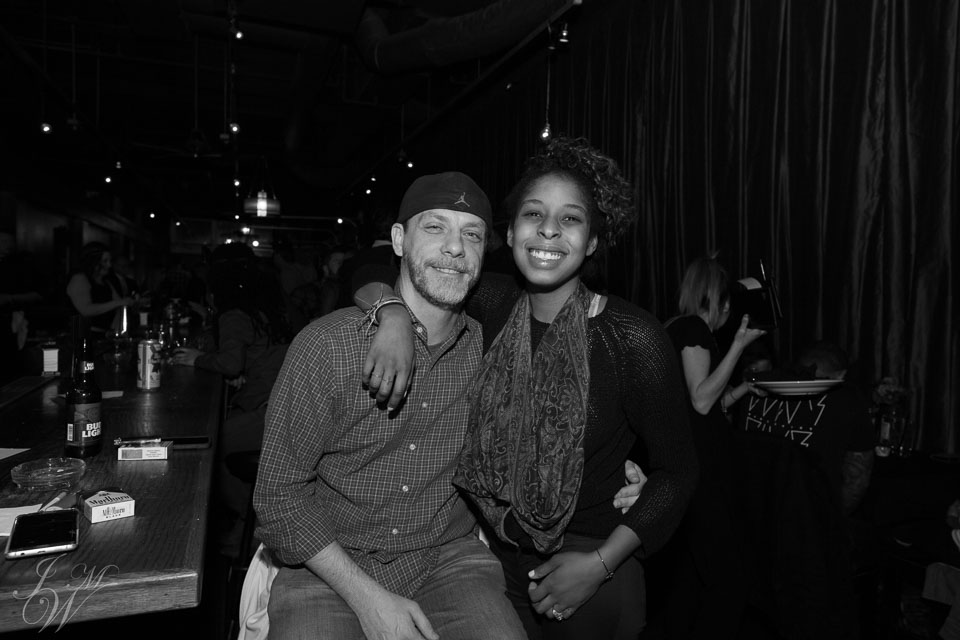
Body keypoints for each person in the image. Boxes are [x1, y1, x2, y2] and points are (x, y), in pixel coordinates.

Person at [358, 137, 697, 639]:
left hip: (591, 563)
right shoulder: (491, 303)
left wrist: (601, 563)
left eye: (570, 219)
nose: (549, 230)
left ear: (592, 241)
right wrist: (391, 315)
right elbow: (371, 269)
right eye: (534, 214)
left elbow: (678, 471)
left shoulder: (632, 338)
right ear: (512, 232)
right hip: (493, 561)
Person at [252, 171, 528, 640]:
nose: (455, 248)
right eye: (435, 227)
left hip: (446, 559)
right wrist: (368, 599)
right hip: (328, 562)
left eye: (472, 234)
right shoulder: (328, 347)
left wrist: (619, 462)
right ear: (399, 239)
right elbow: (278, 496)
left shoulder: (493, 349)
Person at [658, 254, 767, 639]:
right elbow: (702, 400)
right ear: (721, 302)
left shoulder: (674, 326)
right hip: (699, 473)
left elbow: (706, 406)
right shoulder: (693, 329)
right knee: (729, 579)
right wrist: (738, 346)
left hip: (686, 467)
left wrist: (742, 388)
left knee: (692, 578)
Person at [171, 243, 289, 557]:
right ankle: (248, 523)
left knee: (207, 449)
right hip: (285, 405)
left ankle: (251, 521)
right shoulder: (267, 309)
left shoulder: (235, 314)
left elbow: (231, 362)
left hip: (270, 412)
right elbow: (254, 358)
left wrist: (196, 359)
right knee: (215, 443)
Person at [738, 340, 875, 516]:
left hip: (747, 509)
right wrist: (835, 519)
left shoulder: (752, 386)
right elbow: (857, 477)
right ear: (841, 374)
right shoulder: (848, 398)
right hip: (807, 518)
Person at [65, 241, 136, 336]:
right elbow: (86, 310)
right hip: (81, 336)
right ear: (93, 262)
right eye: (105, 261)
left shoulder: (106, 282)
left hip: (103, 335)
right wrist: (120, 302)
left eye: (110, 261)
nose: (109, 265)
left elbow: (120, 305)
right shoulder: (79, 279)